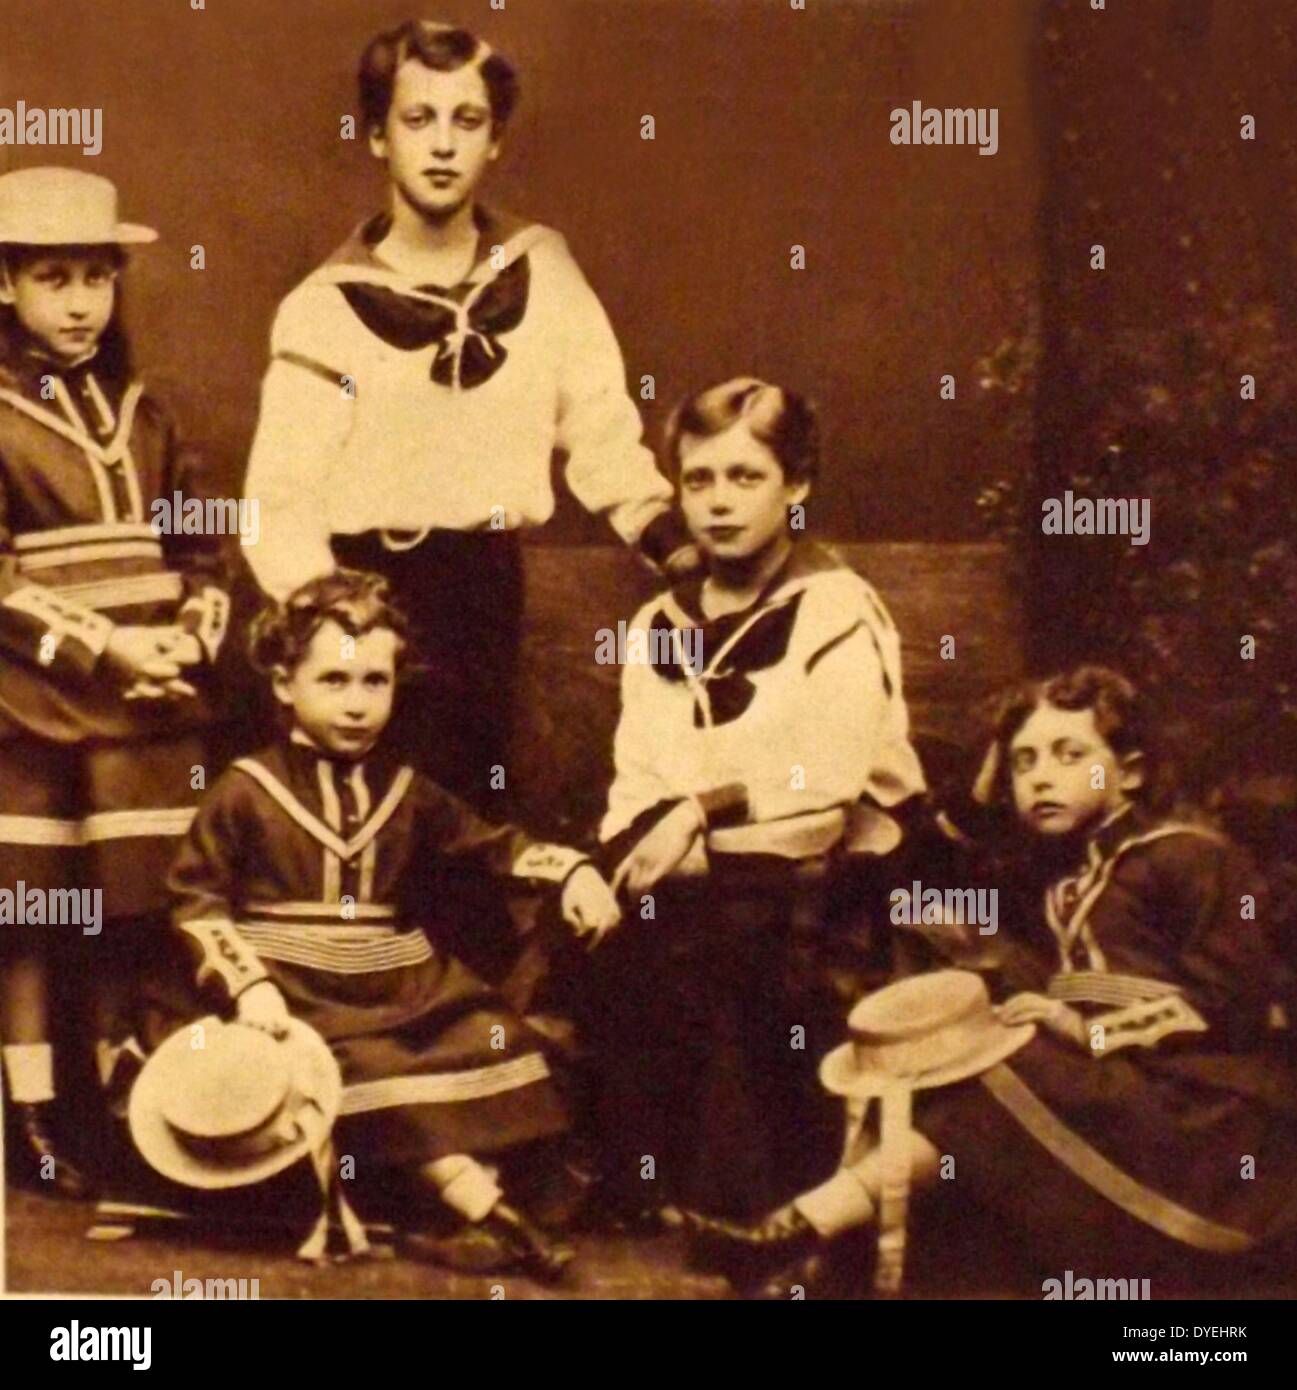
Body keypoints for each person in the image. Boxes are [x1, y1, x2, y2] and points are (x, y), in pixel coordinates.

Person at [687, 666, 1297, 1296]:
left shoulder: (1189, 856)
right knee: (928, 1059)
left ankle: (796, 1236)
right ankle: (799, 1244)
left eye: (1071, 756)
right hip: (1110, 1097)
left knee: (992, 1062)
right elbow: (915, 885)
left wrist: (1083, 1030)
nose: (1042, 777)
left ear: (1131, 773)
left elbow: (1234, 1006)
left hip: (1204, 1113)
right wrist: (978, 801)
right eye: (1024, 764)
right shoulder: (1053, 878)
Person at [241, 19, 691, 805]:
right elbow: (278, 501)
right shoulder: (325, 308)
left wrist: (668, 536)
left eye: (467, 120)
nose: (443, 145)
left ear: (495, 142)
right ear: (378, 137)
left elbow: (600, 431)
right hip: (363, 590)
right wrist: (339, 626)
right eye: (418, 120)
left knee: (469, 822)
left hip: (484, 586)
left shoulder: (543, 273)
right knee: (369, 827)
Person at [163, 569, 622, 1279]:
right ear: (284, 685)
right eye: (334, 681)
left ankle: (472, 1201)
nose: (356, 705)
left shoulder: (407, 789)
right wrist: (248, 986)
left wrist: (572, 870)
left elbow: (494, 844)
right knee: (355, 1069)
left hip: (401, 983)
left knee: (489, 1042)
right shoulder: (243, 790)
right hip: (293, 989)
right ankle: (488, 1213)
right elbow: (196, 902)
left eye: (374, 683)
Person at [582, 376, 926, 1221]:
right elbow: (640, 776)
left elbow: (827, 781)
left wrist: (700, 813)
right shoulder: (660, 620)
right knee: (600, 925)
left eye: (746, 478)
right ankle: (642, 1189)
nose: (719, 504)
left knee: (741, 929)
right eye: (698, 481)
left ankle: (762, 1200)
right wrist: (608, 865)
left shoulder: (835, 606)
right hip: (703, 860)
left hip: (840, 862)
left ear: (795, 486)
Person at [0, 168, 230, 1196]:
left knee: (129, 913)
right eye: (54, 277)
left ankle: (123, 1108)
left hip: (149, 700)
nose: (81, 299)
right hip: (37, 691)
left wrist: (189, 633)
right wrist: (104, 648)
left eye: (96, 276)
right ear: (7, 288)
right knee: (37, 915)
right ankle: (34, 1112)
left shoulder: (149, 412)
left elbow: (202, 547)